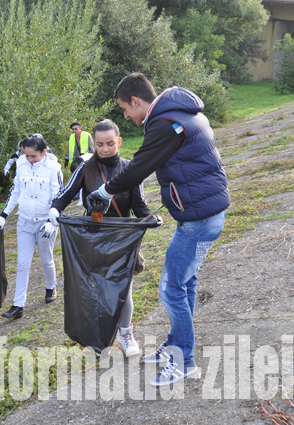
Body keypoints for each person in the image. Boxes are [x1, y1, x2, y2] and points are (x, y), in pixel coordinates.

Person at [86, 73, 230, 386]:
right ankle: (177, 346)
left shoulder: (166, 124)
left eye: (125, 109)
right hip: (204, 214)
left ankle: (184, 360)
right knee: (185, 283)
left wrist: (105, 192)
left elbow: (138, 167)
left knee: (170, 288)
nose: (125, 116)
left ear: (136, 101)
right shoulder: (182, 115)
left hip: (199, 220)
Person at [49, 119, 151, 357]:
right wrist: (55, 210)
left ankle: (127, 335)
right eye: (100, 144)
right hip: (93, 238)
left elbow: (140, 205)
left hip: (123, 237)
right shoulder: (85, 168)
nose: (105, 149)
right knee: (96, 291)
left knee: (123, 289)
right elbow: (65, 195)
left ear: (120, 142)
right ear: (93, 144)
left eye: (110, 144)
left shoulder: (130, 168)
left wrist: (150, 218)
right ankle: (99, 336)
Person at [0, 135, 63, 319]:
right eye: (26, 155)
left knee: (46, 258)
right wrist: (3, 215)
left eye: (33, 156)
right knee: (22, 263)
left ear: (43, 152)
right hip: (24, 221)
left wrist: (51, 221)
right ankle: (18, 305)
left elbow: (59, 196)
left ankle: (51, 286)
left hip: (45, 223)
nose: (29, 159)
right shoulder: (22, 164)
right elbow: (15, 191)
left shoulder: (53, 168)